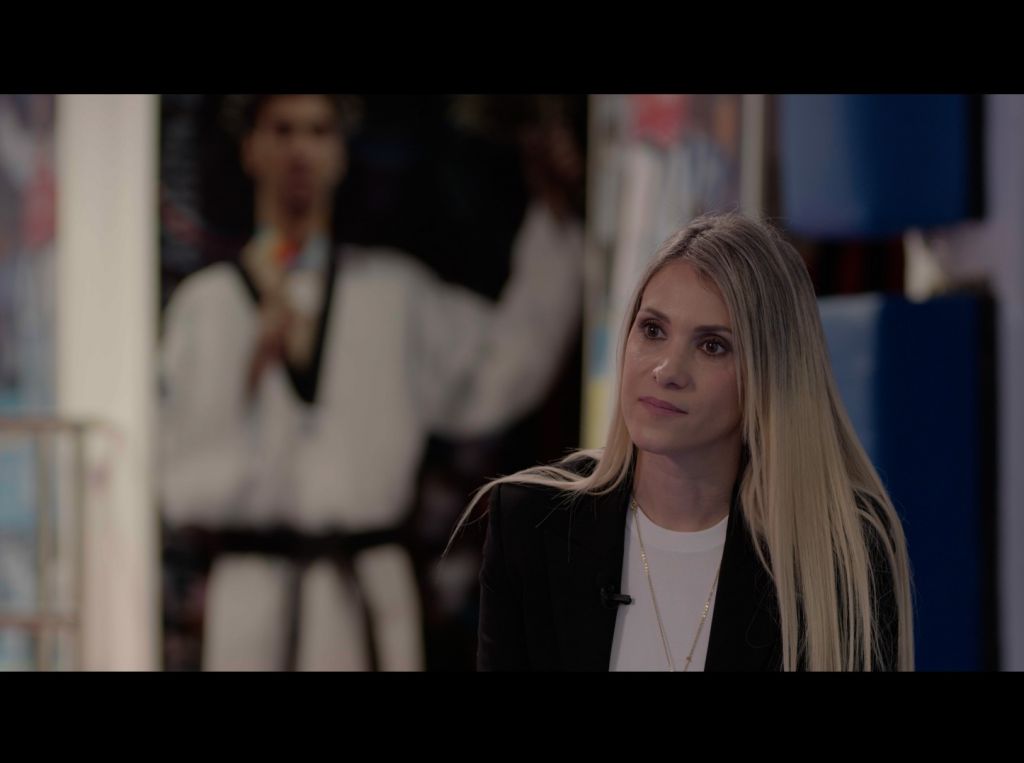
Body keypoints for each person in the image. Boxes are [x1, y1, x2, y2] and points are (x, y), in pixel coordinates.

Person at [158, 94, 584, 670]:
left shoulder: (392, 295)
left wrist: (556, 223)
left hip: (364, 593)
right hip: (250, 599)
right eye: (282, 130)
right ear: (250, 148)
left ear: (340, 152)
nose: (300, 150)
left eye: (318, 131)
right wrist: (249, 384)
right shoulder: (206, 307)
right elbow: (175, 478)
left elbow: (507, 365)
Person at [455, 212, 915, 671]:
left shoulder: (839, 552)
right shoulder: (530, 523)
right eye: (653, 330)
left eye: (712, 345)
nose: (667, 371)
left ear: (770, 375)